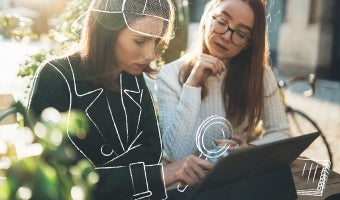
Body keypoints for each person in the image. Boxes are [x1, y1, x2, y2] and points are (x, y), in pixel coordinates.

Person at [27, 0, 212, 199]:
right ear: (107, 32)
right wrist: (152, 175)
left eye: (155, 41)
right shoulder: (56, 76)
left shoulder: (131, 77)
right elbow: (59, 179)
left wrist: (109, 176)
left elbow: (151, 150)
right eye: (140, 41)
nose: (150, 55)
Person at [156, 0, 290, 161]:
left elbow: (281, 132)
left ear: (248, 43)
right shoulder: (169, 75)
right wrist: (192, 84)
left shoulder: (259, 74)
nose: (227, 36)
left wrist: (250, 150)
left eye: (241, 34)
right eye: (222, 22)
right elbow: (176, 155)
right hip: (186, 185)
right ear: (208, 16)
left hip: (232, 179)